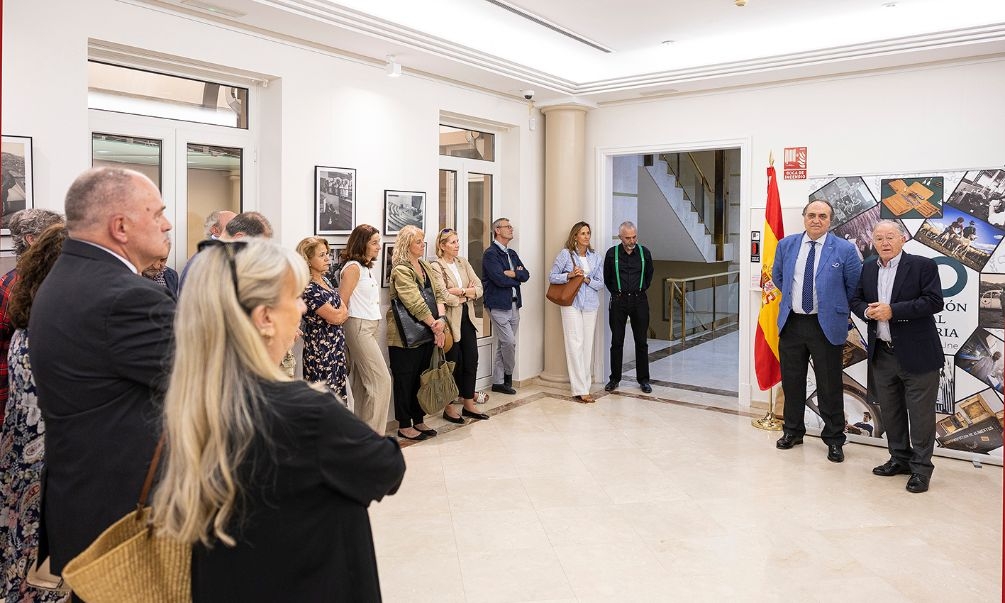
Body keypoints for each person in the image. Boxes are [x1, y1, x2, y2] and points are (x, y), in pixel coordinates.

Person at [152, 239, 405, 600]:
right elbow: (386, 467)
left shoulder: (192, 400)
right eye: (295, 297)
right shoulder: (305, 411)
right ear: (265, 318)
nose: (303, 307)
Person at [28, 167, 175, 575]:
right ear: (121, 227)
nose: (167, 223)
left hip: (83, 500)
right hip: (125, 514)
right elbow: (211, 386)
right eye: (158, 213)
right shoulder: (127, 297)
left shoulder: (67, 276)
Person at [0, 224, 69, 603]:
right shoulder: (57, 326)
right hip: (42, 456)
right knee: (38, 552)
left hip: (18, 448)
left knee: (17, 542)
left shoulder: (26, 317)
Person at [851, 220, 943, 493]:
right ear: (873, 242)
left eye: (890, 237)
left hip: (918, 355)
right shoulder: (867, 267)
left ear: (902, 239)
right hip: (883, 354)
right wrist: (867, 312)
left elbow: (933, 301)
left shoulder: (923, 266)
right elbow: (856, 299)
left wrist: (894, 310)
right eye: (879, 238)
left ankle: (921, 469)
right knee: (891, 412)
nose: (885, 243)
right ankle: (899, 459)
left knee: (921, 415)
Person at [772, 199, 862, 463]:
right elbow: (779, 278)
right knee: (792, 382)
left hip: (826, 326)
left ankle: (834, 439)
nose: (816, 220)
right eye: (811, 215)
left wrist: (833, 308)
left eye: (822, 216)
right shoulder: (786, 245)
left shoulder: (844, 249)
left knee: (829, 385)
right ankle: (793, 431)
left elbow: (853, 287)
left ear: (830, 220)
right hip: (792, 323)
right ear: (804, 218)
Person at [0, 209, 63, 426]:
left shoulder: (59, 281)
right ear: (31, 239)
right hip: (20, 397)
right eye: (56, 235)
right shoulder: (12, 286)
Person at [386, 225, 448, 441]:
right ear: (406, 245)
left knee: (421, 377)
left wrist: (440, 321)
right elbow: (415, 303)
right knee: (405, 379)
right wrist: (434, 324)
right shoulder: (401, 269)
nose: (422, 245)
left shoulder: (424, 265)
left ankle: (418, 419)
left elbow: (439, 292)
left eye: (423, 242)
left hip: (429, 330)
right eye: (418, 242)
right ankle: (404, 424)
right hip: (405, 336)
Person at [430, 228, 490, 422]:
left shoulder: (462, 262)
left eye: (457, 241)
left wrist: (461, 291)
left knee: (471, 360)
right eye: (453, 242)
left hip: (468, 319)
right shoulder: (436, 266)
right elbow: (443, 295)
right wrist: (465, 295)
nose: (457, 245)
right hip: (450, 322)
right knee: (452, 363)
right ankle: (448, 407)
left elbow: (479, 288)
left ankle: (468, 404)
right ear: (442, 246)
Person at [339, 224, 393, 433]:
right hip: (358, 326)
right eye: (374, 243)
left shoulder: (365, 268)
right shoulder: (353, 268)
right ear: (362, 244)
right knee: (381, 382)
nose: (379, 247)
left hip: (367, 327)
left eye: (378, 242)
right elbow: (342, 303)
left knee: (364, 385)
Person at [550, 221, 604, 403]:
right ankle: (580, 389)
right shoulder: (566, 255)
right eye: (583, 233)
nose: (587, 236)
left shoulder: (596, 257)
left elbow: (600, 283)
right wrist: (570, 275)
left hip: (590, 304)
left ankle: (585, 386)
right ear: (575, 236)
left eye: (588, 233)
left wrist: (587, 280)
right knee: (575, 343)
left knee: (587, 345)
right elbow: (552, 276)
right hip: (571, 303)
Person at [603, 221, 655, 394]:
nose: (632, 241)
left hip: (639, 301)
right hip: (618, 301)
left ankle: (644, 380)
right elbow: (607, 278)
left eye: (634, 237)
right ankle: (614, 379)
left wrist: (638, 290)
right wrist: (618, 293)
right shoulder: (612, 254)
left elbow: (649, 276)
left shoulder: (644, 253)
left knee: (641, 341)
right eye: (628, 238)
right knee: (617, 341)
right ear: (620, 237)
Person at [295, 236, 349, 399]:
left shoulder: (325, 280)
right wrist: (340, 313)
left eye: (327, 254)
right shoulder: (309, 287)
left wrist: (340, 313)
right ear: (308, 259)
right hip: (320, 348)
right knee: (325, 397)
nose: (327, 258)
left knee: (338, 396)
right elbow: (336, 317)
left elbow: (343, 309)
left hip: (336, 345)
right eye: (321, 255)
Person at [482, 217, 529, 395]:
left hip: (515, 305)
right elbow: (499, 279)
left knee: (504, 344)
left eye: (511, 226)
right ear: (497, 230)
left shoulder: (512, 254)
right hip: (498, 304)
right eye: (507, 226)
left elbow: (526, 275)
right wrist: (515, 276)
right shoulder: (490, 254)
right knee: (509, 342)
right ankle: (508, 374)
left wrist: (513, 274)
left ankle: (498, 382)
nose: (511, 229)